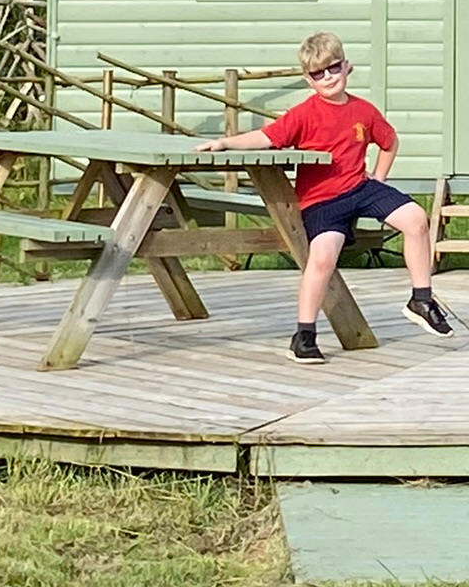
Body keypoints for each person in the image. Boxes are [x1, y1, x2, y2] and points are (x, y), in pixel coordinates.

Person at [194, 31, 453, 362]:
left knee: (416, 219)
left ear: (347, 67)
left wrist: (380, 178)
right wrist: (226, 143)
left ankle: (421, 299)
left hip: (361, 187)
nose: (328, 77)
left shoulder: (364, 111)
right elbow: (267, 137)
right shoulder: (304, 114)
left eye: (333, 68)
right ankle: (304, 335)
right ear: (308, 79)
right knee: (322, 258)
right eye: (319, 73)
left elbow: (389, 142)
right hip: (322, 202)